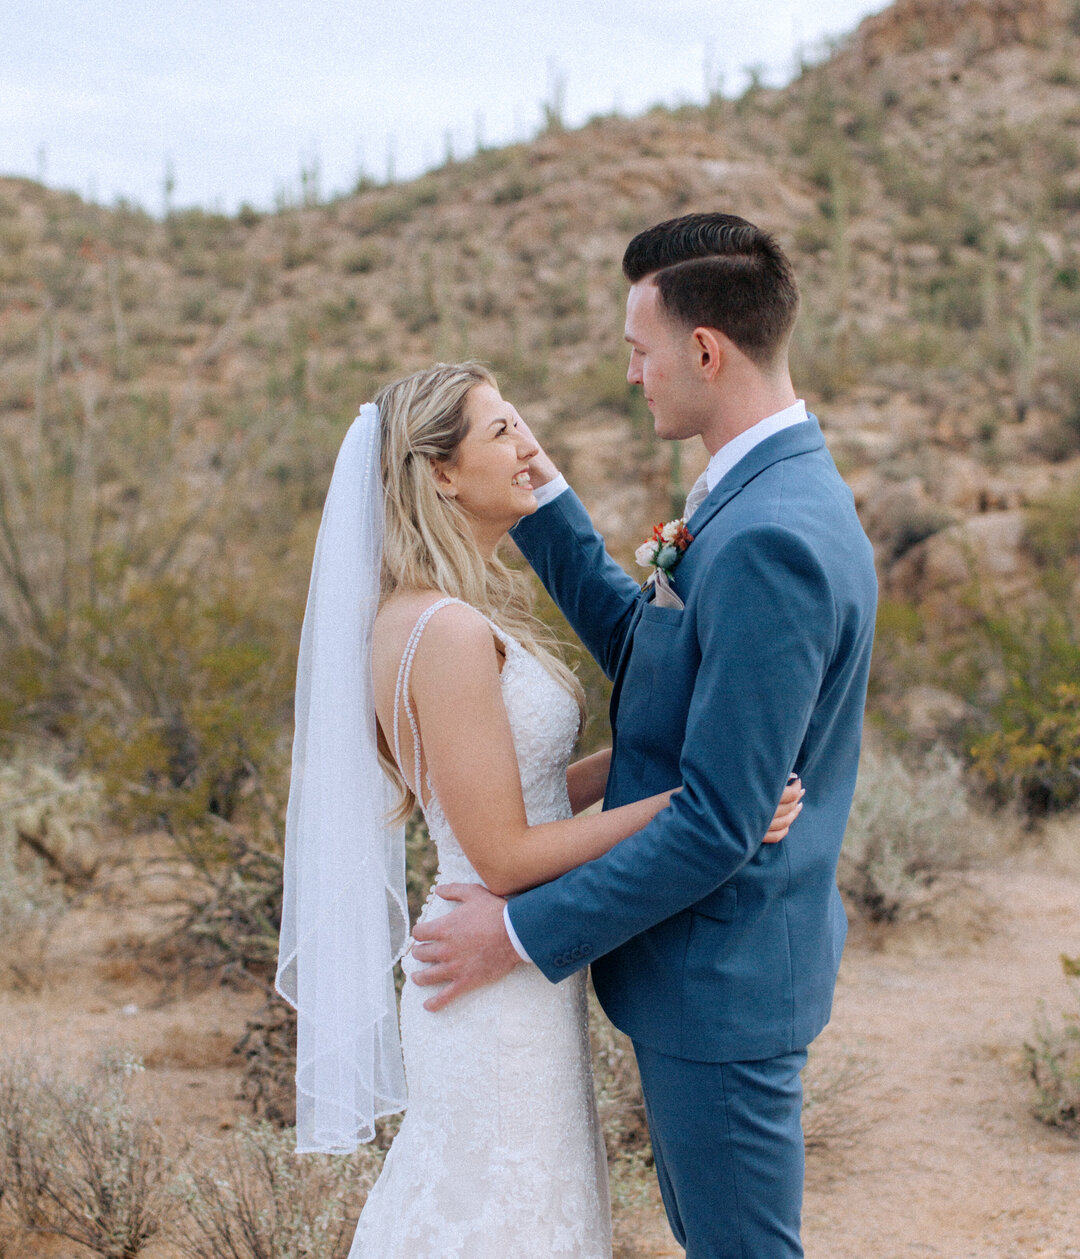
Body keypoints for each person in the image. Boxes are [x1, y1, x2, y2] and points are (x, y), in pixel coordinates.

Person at [409, 213, 878, 1259]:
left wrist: (517, 932)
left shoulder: (769, 537)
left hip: (727, 978)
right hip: (703, 978)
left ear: (703, 349)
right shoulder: (757, 493)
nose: (633, 373)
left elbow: (720, 819)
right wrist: (545, 498)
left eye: (639, 348)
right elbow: (657, 659)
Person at [275, 359, 802, 1259]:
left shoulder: (430, 612)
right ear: (441, 471)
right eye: (502, 431)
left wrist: (659, 771)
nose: (530, 448)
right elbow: (509, 855)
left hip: (509, 970)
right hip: (492, 974)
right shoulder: (441, 629)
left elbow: (528, 784)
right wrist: (700, 804)